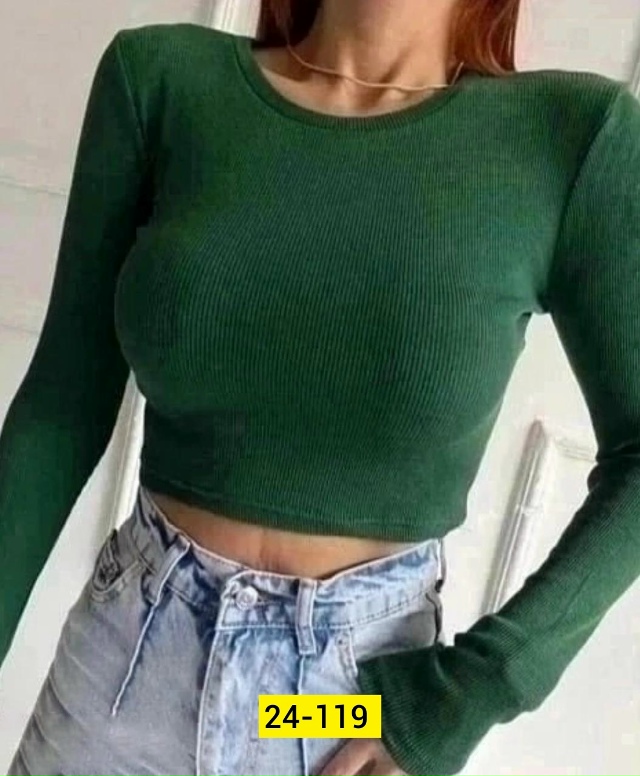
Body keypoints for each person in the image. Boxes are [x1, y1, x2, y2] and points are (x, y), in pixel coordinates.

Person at [1, 0, 640, 774]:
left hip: (334, 707)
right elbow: (59, 410)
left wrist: (471, 691)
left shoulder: (568, 139)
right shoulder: (162, 82)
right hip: (123, 680)